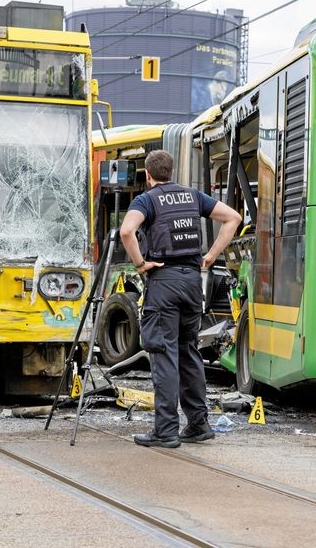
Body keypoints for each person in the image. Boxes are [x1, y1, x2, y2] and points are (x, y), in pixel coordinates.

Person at [120, 150, 241, 448]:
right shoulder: (193, 196)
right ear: (171, 171)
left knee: (163, 354)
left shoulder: (146, 200)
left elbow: (127, 231)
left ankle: (165, 430)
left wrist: (140, 264)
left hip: (164, 283)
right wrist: (210, 256)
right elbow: (233, 218)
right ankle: (198, 425)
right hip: (191, 283)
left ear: (148, 175)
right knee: (189, 352)